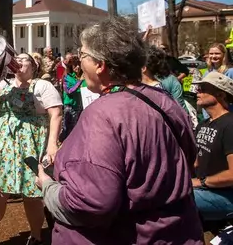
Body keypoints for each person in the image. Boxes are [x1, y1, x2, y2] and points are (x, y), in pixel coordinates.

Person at [36, 17, 203, 244]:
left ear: (100, 65)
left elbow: (90, 204)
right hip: (178, 233)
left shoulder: (102, 114)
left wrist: (48, 187)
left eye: (82, 55)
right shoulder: (164, 100)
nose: (78, 61)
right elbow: (189, 157)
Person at [0, 54, 63, 245]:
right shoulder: (4, 84)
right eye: (16, 58)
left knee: (32, 193)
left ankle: (36, 236)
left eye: (24, 59)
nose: (19, 61)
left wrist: (52, 144)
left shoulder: (42, 86)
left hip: (30, 143)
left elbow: (56, 113)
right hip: (4, 145)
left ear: (34, 66)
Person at [192, 72, 233, 223]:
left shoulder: (229, 125)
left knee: (179, 198)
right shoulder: (203, 124)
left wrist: (201, 182)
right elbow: (196, 162)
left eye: (203, 89)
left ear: (221, 94)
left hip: (226, 195)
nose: (198, 92)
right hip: (205, 189)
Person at [144, 46, 189, 114]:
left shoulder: (172, 61)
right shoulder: (171, 80)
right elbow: (181, 110)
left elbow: (180, 107)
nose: (163, 50)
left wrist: (178, 78)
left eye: (165, 49)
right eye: (161, 49)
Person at [60, 55, 83, 142]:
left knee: (76, 129)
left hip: (79, 107)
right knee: (67, 129)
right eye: (75, 65)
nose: (77, 67)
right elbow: (69, 90)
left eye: (79, 65)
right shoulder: (67, 77)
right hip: (70, 107)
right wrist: (80, 82)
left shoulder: (81, 77)